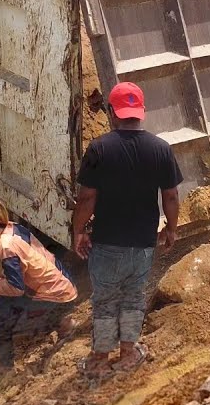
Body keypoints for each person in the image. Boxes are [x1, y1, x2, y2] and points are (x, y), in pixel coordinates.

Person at [73, 82, 183, 377]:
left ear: (112, 112)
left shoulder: (98, 149)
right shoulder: (161, 149)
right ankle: (128, 354)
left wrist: (79, 231)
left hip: (108, 242)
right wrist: (170, 229)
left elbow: (86, 198)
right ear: (141, 112)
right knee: (133, 297)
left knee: (105, 299)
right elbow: (170, 196)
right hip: (142, 244)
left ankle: (98, 361)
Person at [0, 194, 78, 373]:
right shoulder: (13, 228)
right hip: (64, 287)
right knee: (8, 302)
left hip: (57, 297)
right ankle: (62, 321)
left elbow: (16, 288)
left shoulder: (6, 246)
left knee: (0, 309)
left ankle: (5, 363)